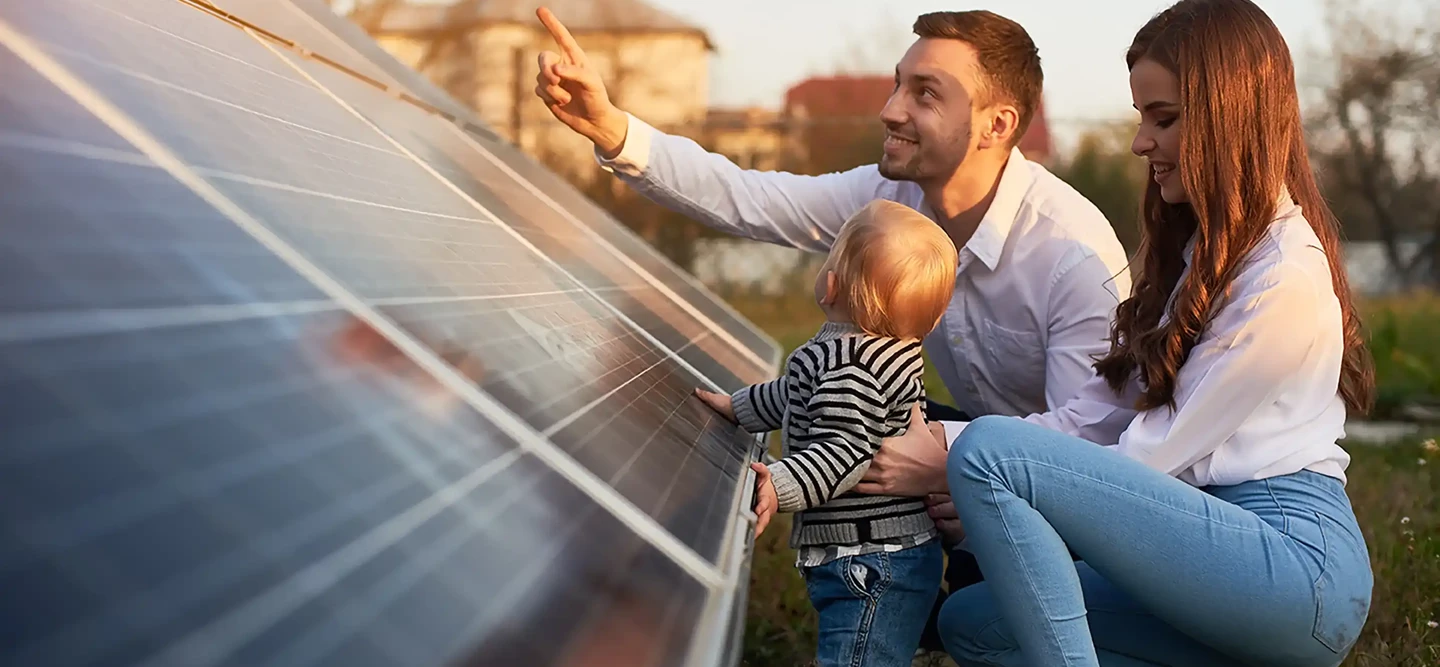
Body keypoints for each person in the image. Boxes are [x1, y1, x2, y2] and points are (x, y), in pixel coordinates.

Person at [531, 6, 1134, 631]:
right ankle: (872, 602)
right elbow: (750, 198)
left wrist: (955, 463)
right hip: (978, 448)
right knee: (849, 414)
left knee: (977, 605)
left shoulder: (1070, 253)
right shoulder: (890, 201)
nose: (891, 109)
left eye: (925, 93)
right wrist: (612, 129)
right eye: (898, 84)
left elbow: (1093, 437)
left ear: (997, 124)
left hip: (1078, 495)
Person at [881, 0, 1377, 664]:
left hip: (1290, 566)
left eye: (1163, 119)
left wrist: (971, 473)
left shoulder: (1281, 276)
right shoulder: (1206, 258)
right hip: (1201, 552)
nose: (1142, 142)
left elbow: (1155, 456)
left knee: (990, 452)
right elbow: (1098, 414)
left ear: (1230, 116)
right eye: (1142, 116)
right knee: (974, 622)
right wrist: (943, 446)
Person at [696, 200, 957, 667]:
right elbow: (794, 393)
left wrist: (780, 482)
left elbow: (845, 451)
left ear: (830, 283)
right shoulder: (870, 353)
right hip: (883, 553)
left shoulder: (850, 369)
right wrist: (739, 408)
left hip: (871, 559)